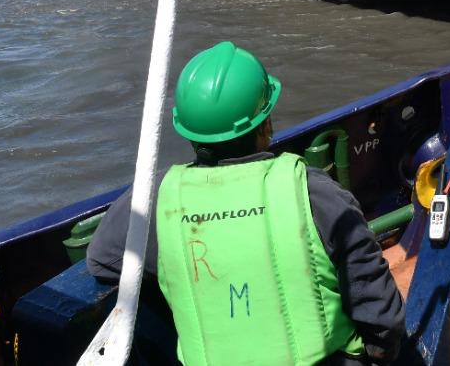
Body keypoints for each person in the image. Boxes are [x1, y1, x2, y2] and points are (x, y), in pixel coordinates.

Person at [86, 42, 405, 366]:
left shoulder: (157, 200)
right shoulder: (316, 194)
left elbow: (102, 260)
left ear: (189, 133)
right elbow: (383, 321)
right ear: (265, 124)